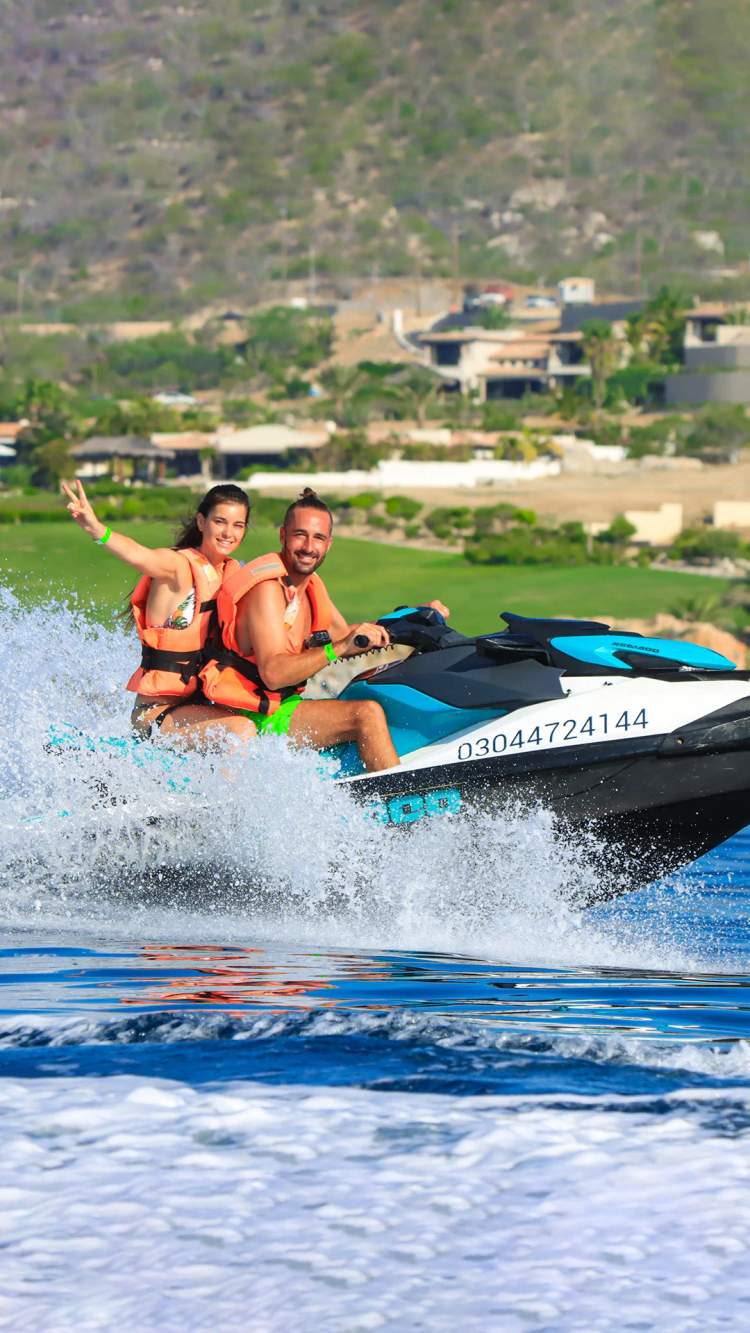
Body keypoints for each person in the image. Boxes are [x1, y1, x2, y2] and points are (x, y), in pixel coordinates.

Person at [201, 487, 449, 772]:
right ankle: (402, 802)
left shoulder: (310, 587)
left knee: (379, 692)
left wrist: (418, 615)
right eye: (300, 535)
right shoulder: (268, 590)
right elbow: (273, 673)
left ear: (328, 544)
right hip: (256, 715)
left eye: (318, 538)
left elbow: (351, 634)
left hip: (282, 705)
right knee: (365, 714)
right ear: (283, 536)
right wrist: (338, 649)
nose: (309, 546)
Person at [61, 478, 256, 745]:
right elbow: (138, 555)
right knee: (240, 731)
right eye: (219, 521)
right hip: (156, 716)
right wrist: (96, 529)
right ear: (201, 522)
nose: (228, 533)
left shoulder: (230, 575)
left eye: (238, 525)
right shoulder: (177, 566)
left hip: (198, 709)